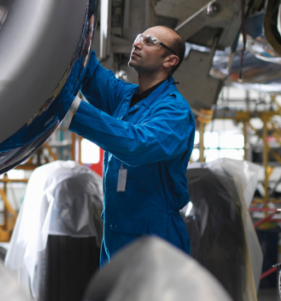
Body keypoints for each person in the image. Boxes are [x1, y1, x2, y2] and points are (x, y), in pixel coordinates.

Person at [67, 25, 195, 264]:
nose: (137, 44)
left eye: (149, 41)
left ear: (170, 60)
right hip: (115, 234)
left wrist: (73, 110)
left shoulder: (175, 112)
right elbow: (90, 74)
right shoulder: (125, 96)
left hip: (156, 239)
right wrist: (77, 32)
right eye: (138, 38)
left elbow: (137, 144)